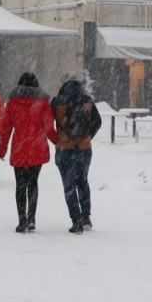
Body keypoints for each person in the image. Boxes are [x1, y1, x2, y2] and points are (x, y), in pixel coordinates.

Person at [0, 72, 57, 233]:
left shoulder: (12, 103)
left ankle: (21, 220)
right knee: (33, 183)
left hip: (19, 147)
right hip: (37, 147)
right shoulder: (42, 102)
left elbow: (6, 128)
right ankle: (31, 218)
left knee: (20, 185)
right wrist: (58, 142)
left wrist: (2, 148)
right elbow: (49, 128)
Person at [50, 79, 102, 234]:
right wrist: (87, 137)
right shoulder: (88, 101)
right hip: (84, 149)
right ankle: (86, 217)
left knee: (69, 186)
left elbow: (47, 122)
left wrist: (58, 139)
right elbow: (98, 122)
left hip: (65, 149)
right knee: (83, 182)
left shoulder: (57, 103)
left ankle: (76, 220)